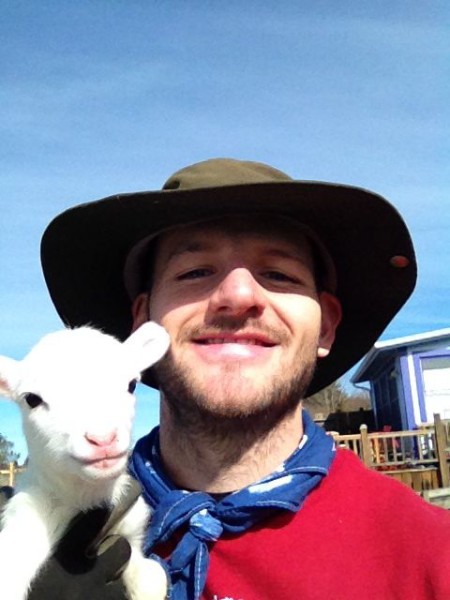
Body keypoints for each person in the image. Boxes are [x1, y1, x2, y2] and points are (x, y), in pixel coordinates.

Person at [32, 159, 450, 598]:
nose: (238, 296)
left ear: (325, 325)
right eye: (195, 272)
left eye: (278, 274)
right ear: (141, 326)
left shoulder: (432, 559)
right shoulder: (32, 541)